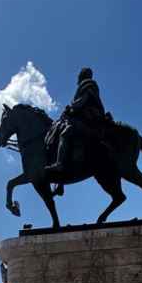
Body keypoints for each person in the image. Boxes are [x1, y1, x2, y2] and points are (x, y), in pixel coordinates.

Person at [44, 67, 114, 196]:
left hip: (90, 118)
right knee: (61, 130)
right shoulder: (87, 85)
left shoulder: (89, 84)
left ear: (83, 75)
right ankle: (60, 183)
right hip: (85, 117)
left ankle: (59, 164)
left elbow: (83, 101)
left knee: (65, 133)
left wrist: (72, 108)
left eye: (80, 75)